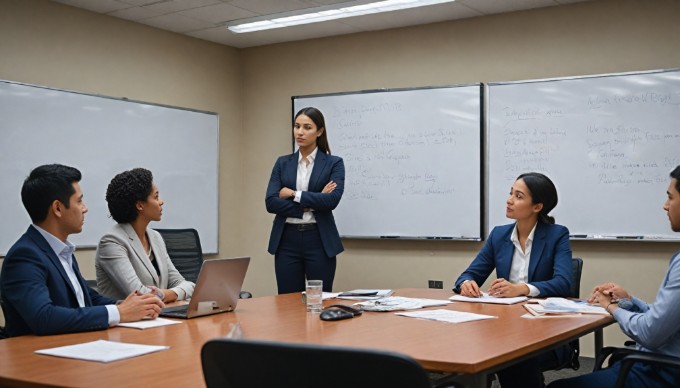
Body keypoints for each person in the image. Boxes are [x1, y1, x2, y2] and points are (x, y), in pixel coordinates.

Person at [548, 166, 680, 388]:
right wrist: (630, 300)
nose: (665, 205)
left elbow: (649, 333)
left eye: (670, 197)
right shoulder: (499, 235)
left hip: (662, 373)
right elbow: (667, 320)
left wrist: (612, 308)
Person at [0, 164, 164, 337]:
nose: (85, 208)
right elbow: (44, 317)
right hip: (37, 358)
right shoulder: (25, 256)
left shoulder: (61, 250)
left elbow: (87, 299)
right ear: (57, 208)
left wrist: (129, 305)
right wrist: (120, 313)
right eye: (79, 201)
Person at [453, 172, 573, 388]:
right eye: (510, 193)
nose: (509, 200)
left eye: (518, 196)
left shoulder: (557, 235)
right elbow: (469, 274)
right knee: (471, 346)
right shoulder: (499, 235)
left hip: (545, 330)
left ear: (537, 206)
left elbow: (564, 282)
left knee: (510, 356)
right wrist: (466, 283)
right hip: (503, 326)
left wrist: (523, 289)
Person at [265, 107, 345, 294]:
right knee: (287, 303)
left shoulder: (334, 163)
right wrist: (312, 203)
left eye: (307, 127)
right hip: (286, 239)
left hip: (319, 238)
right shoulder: (282, 163)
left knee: (319, 300)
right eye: (297, 126)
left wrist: (294, 194)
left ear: (319, 131)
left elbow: (331, 200)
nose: (300, 132)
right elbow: (271, 202)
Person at [95, 168, 194, 302]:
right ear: (140, 205)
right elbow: (139, 294)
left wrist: (164, 294)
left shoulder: (155, 237)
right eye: (156, 196)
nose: (161, 201)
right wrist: (170, 294)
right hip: (127, 322)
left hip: (160, 318)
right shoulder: (112, 242)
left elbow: (185, 284)